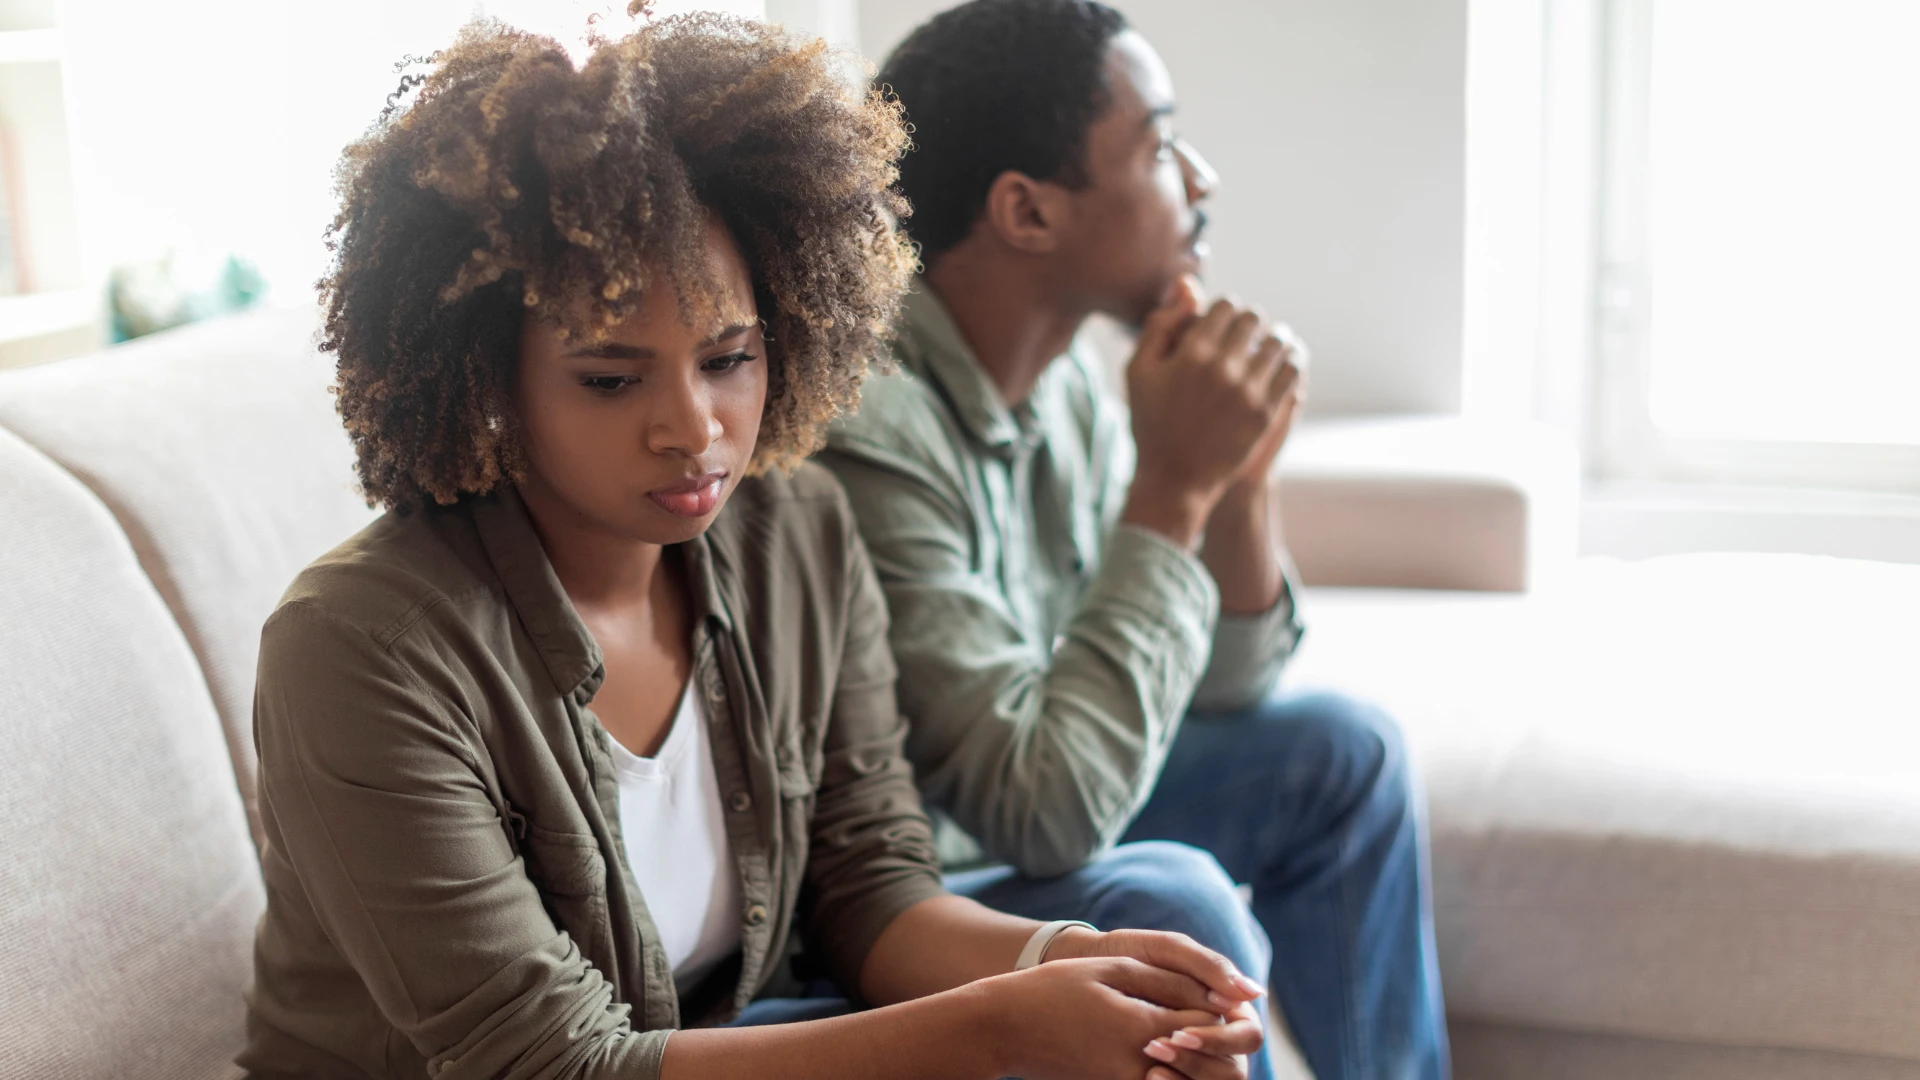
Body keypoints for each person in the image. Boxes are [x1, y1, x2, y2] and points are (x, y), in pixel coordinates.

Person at [238, 13, 1271, 1080]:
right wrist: (1006, 1022)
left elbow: (868, 890)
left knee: (1173, 935)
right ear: (489, 377)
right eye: (611, 377)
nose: (693, 427)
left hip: (727, 1035)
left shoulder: (797, 532)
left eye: (728, 358)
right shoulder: (363, 648)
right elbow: (551, 1063)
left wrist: (1075, 967)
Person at [818, 2, 1449, 1077]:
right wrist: (1172, 487)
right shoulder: (869, 427)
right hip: (925, 892)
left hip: (1047, 796)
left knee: (1346, 752)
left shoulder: (1063, 380)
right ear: (1026, 211)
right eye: (1160, 145)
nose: (1201, 180)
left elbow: (1230, 685)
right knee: (1172, 901)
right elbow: (1042, 815)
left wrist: (1233, 484)